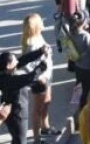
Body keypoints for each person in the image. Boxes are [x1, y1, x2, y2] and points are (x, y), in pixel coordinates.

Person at [20, 14, 55, 142]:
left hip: (47, 75)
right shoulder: (31, 44)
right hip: (41, 80)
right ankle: (36, 137)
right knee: (38, 110)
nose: (43, 22)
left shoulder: (38, 36)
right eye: (40, 21)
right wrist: (39, 77)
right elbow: (24, 65)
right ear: (35, 26)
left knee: (47, 101)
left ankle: (45, 126)